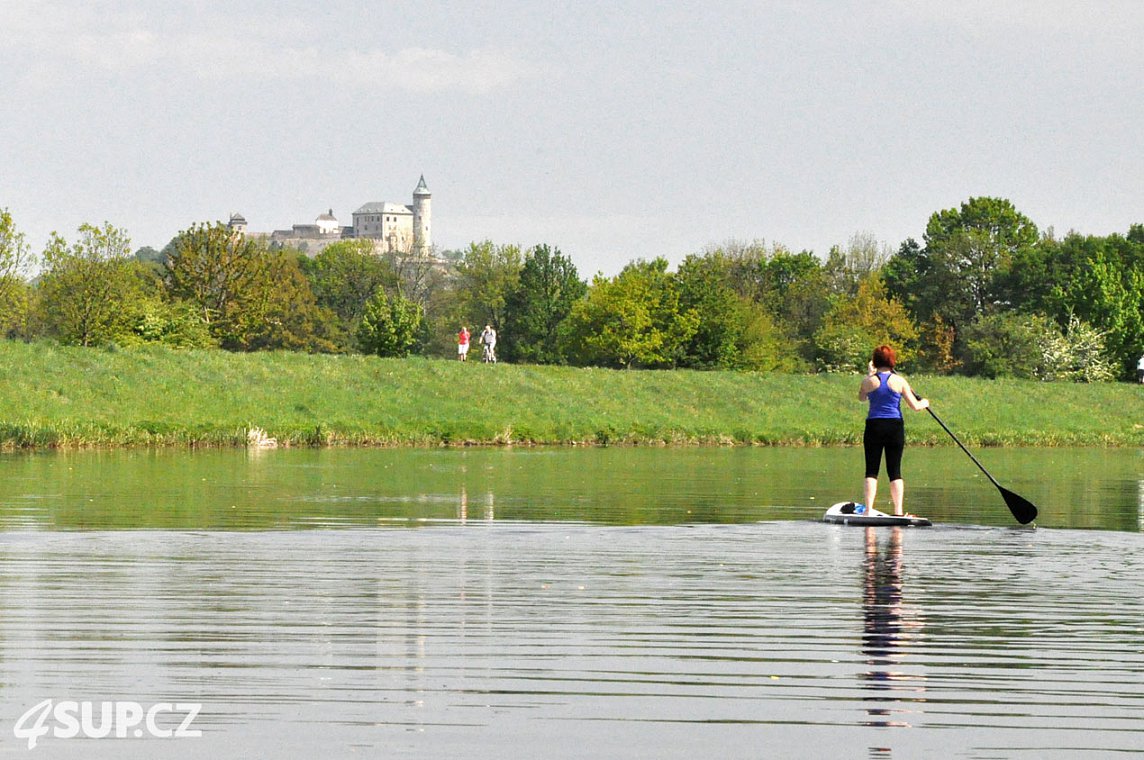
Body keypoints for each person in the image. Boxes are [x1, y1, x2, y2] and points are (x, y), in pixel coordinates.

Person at [858, 345, 929, 517]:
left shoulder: (868, 381)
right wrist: (925, 402)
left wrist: (870, 374)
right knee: (894, 470)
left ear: (875, 362)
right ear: (892, 361)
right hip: (894, 427)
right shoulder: (900, 381)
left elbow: (861, 398)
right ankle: (898, 511)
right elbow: (915, 406)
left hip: (874, 426)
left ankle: (868, 510)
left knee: (871, 470)